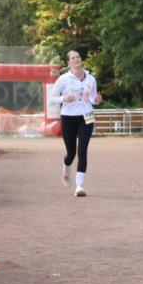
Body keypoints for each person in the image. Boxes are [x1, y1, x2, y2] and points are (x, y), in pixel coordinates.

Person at [50, 51, 103, 196]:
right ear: (68, 63)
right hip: (68, 117)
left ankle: (79, 186)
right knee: (71, 153)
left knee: (82, 151)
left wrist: (96, 100)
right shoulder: (63, 79)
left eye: (78, 56)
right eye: (73, 58)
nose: (76, 59)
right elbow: (52, 98)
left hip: (87, 116)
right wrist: (64, 99)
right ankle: (66, 167)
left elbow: (92, 99)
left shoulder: (91, 79)